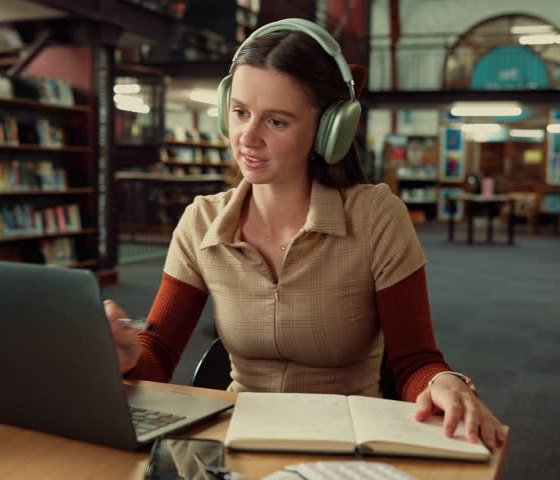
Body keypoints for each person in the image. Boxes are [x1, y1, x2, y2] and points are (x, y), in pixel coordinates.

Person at [105, 19, 507, 451]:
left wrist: (446, 382)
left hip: (346, 450)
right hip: (235, 447)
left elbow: (414, 363)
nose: (248, 138)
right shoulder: (201, 222)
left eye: (276, 122)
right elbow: (159, 354)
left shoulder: (376, 217)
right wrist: (127, 358)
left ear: (330, 128)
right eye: (240, 112)